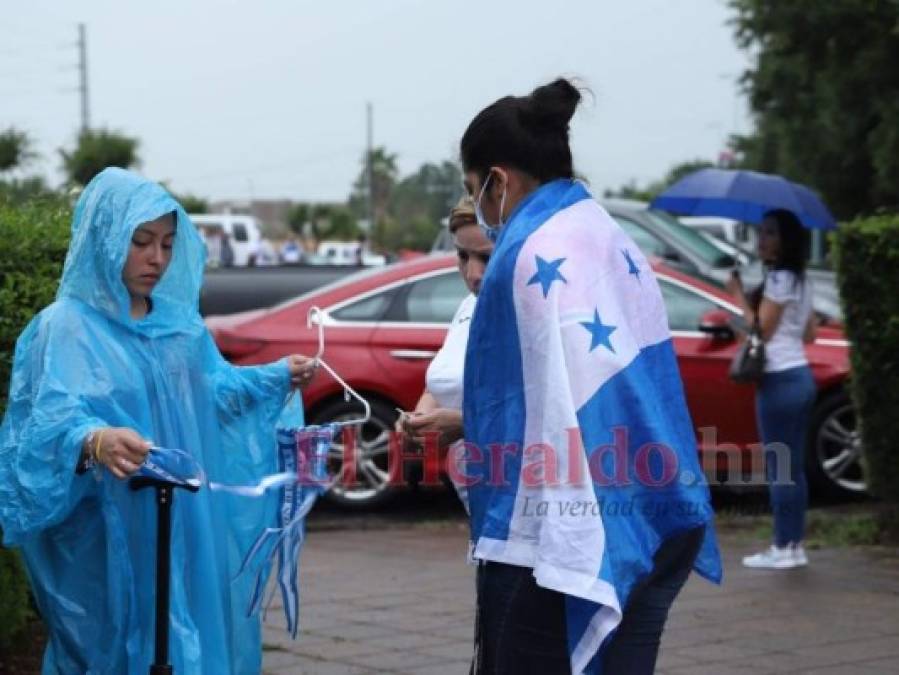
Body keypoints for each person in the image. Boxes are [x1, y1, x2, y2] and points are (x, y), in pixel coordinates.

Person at [0, 168, 317, 673]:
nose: (157, 258)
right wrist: (93, 440)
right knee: (111, 638)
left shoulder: (179, 328)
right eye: (141, 241)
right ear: (105, 237)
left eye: (168, 244)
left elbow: (210, 394)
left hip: (184, 519)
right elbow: (43, 426)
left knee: (182, 627)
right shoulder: (64, 329)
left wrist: (273, 378)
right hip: (106, 527)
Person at [459, 78, 722, 674]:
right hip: (659, 503)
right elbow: (576, 381)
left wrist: (568, 549)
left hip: (578, 523)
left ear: (499, 180)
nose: (478, 207)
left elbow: (556, 405)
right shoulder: (604, 231)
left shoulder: (527, 252)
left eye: (474, 190)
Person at [727, 209, 817, 570]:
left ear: (786, 240)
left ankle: (782, 547)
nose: (761, 240)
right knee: (793, 467)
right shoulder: (800, 280)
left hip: (779, 380)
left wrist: (736, 296)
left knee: (780, 466)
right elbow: (808, 334)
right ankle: (793, 546)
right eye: (760, 232)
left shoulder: (779, 280)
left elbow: (760, 331)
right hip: (800, 375)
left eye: (770, 233)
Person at [398, 196, 493, 511]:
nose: (473, 274)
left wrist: (466, 424)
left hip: (526, 500)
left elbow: (550, 409)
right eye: (462, 256)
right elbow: (443, 382)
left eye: (486, 258)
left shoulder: (529, 313)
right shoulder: (469, 305)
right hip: (475, 495)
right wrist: (420, 417)